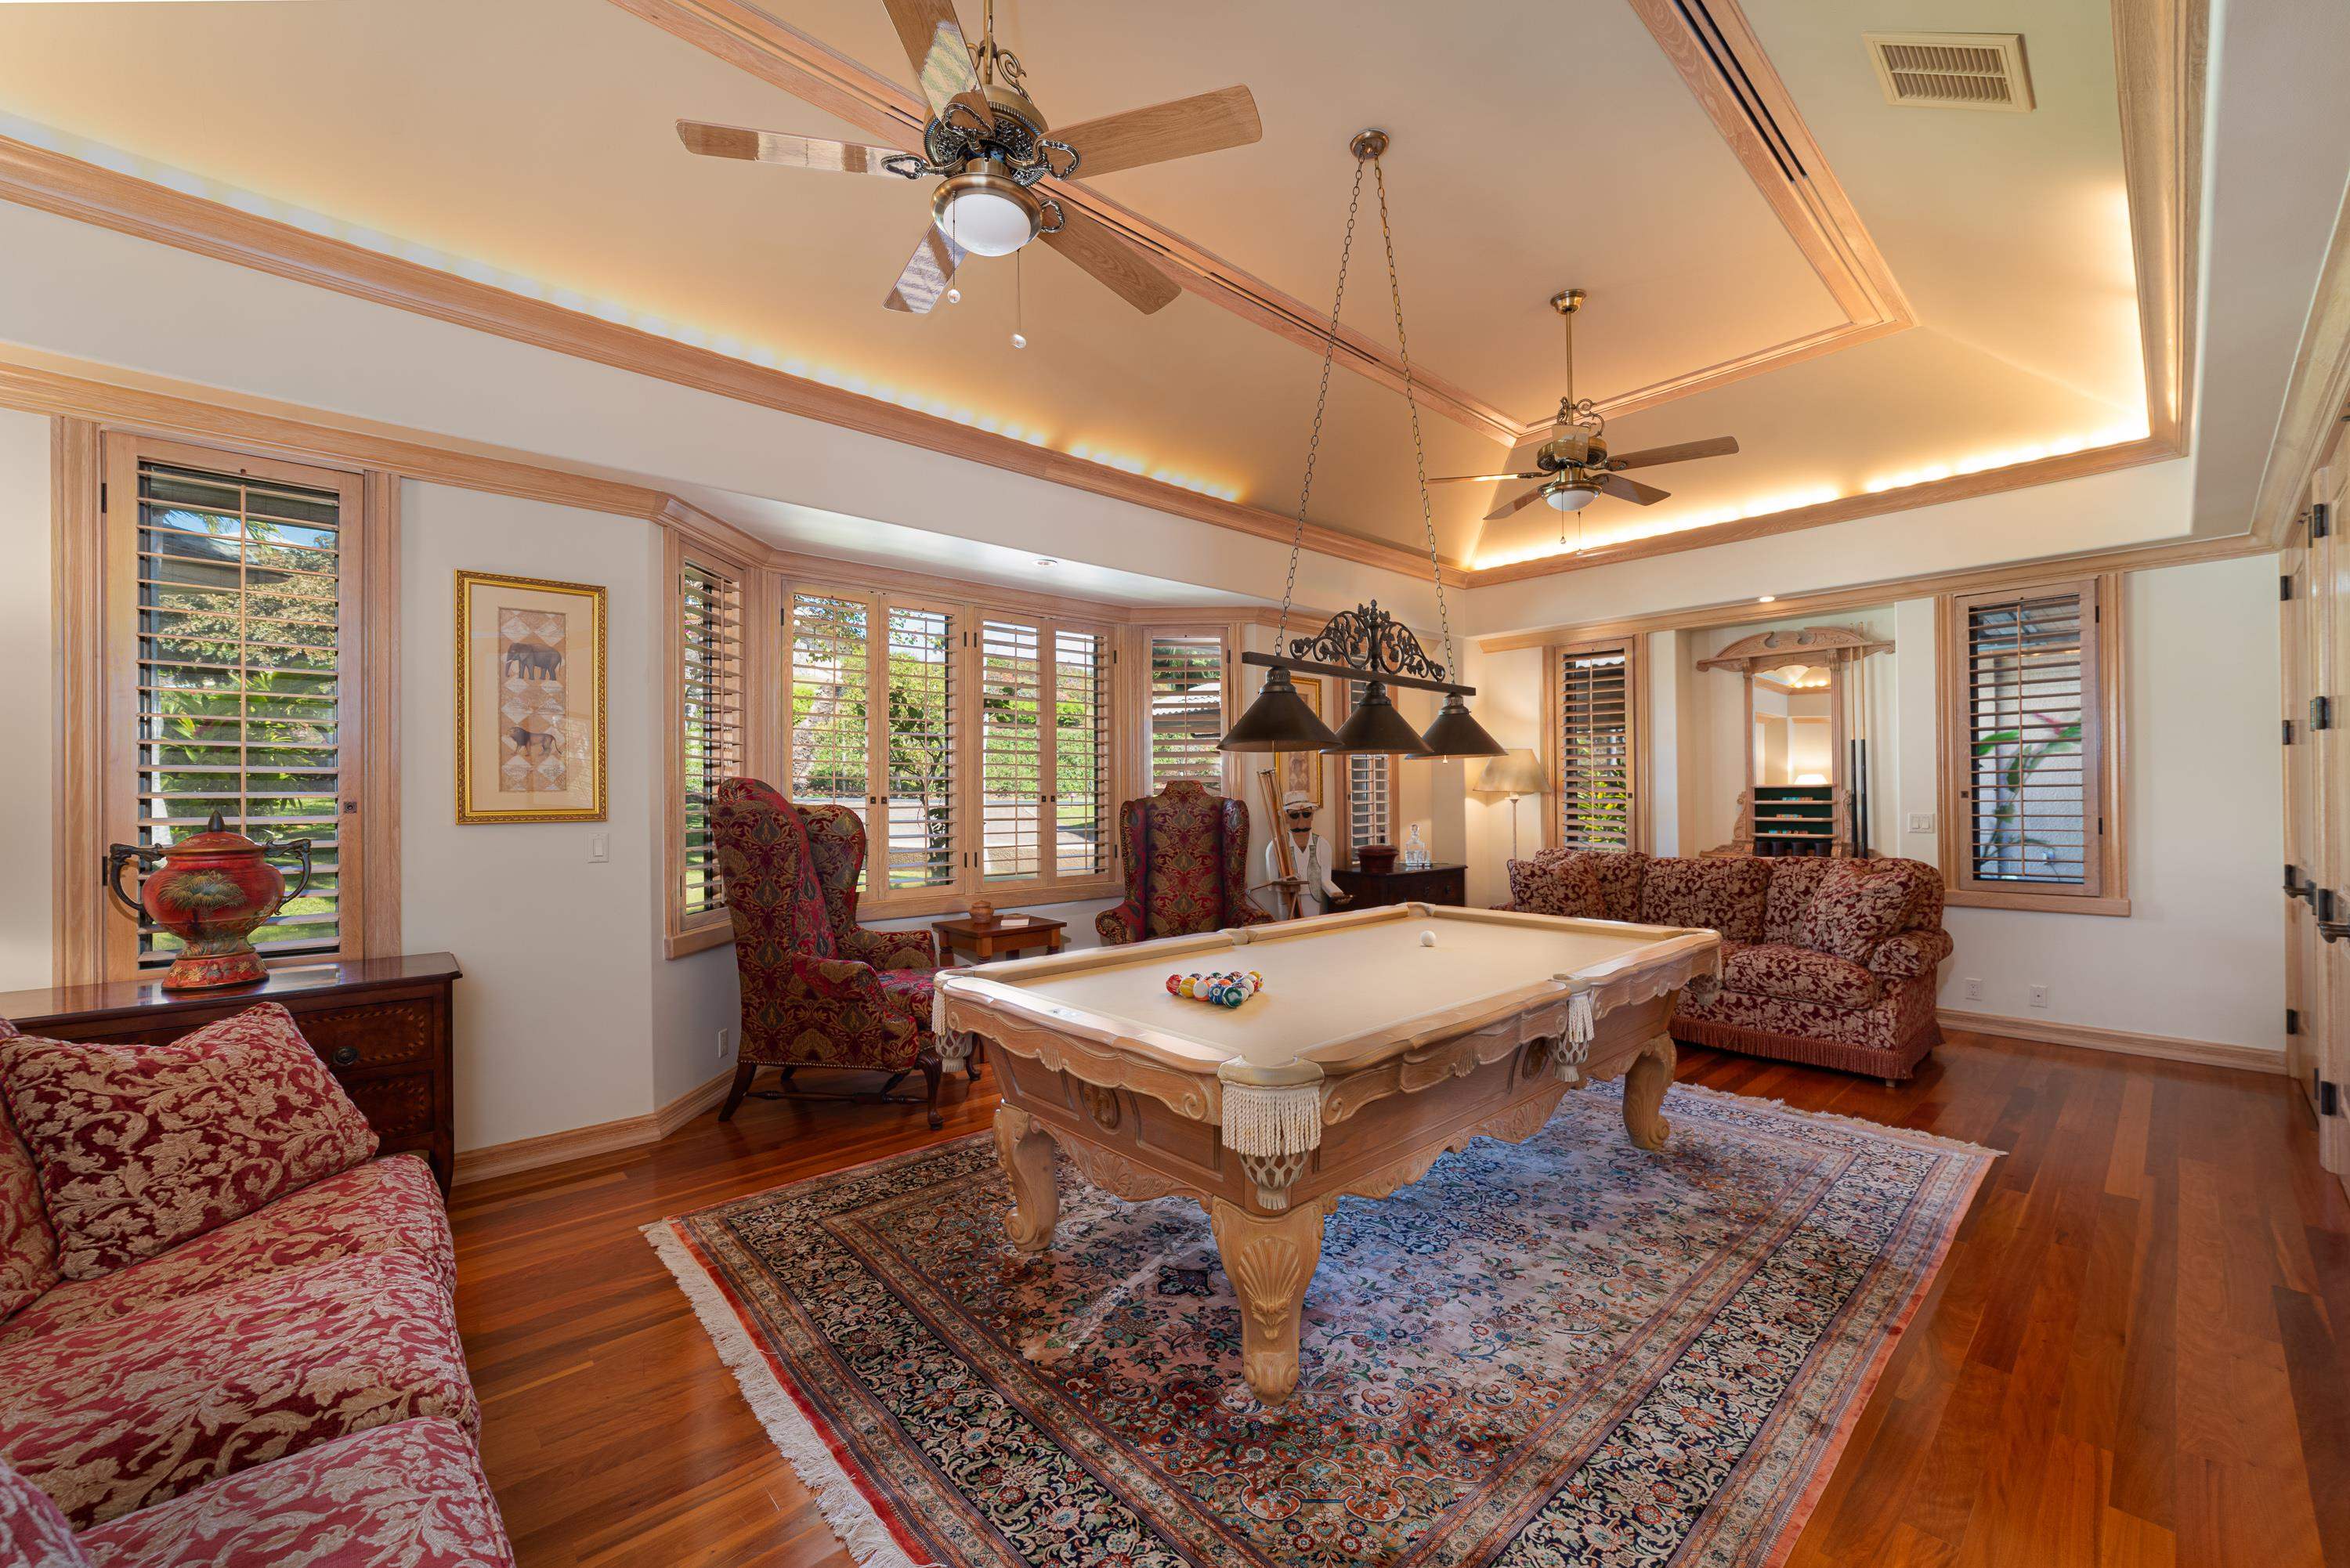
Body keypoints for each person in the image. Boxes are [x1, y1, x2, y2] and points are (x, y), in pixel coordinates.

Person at [1267, 790, 1348, 918]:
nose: (1301, 821)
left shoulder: (1323, 845)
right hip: (1287, 900)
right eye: (1294, 816)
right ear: (1285, 817)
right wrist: (1286, 884)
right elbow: (1270, 884)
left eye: (1306, 814)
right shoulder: (1276, 846)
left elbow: (1326, 880)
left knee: (1311, 930)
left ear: (1312, 815)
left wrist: (1337, 894)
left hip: (1313, 898)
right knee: (1290, 933)